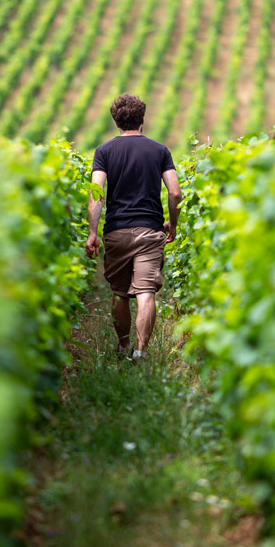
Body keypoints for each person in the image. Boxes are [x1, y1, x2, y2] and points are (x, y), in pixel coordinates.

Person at [85, 94, 182, 359]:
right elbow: (174, 193)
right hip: (150, 230)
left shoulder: (103, 152)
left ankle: (124, 346)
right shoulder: (160, 151)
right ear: (142, 120)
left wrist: (93, 233)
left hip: (116, 231)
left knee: (119, 293)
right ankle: (141, 353)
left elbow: (97, 194)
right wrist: (172, 224)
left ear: (116, 122)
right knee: (146, 291)